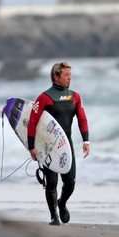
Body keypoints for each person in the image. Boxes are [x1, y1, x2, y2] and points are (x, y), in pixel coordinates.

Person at [27, 61, 90, 225]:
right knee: (51, 182)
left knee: (70, 182)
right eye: (66, 75)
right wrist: (32, 146)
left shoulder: (75, 97)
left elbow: (82, 119)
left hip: (65, 145)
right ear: (56, 77)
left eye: (70, 75)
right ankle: (54, 215)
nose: (69, 78)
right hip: (48, 145)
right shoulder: (44, 98)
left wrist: (86, 140)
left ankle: (62, 203)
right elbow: (32, 122)